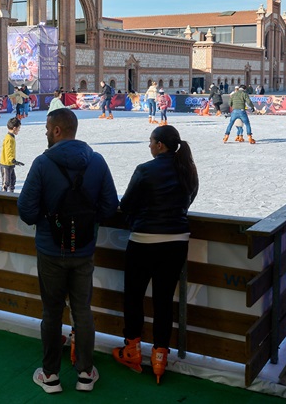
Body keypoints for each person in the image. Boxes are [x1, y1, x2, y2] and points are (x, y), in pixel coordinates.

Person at [18, 108, 119, 394]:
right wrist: (87, 220)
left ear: (58, 130)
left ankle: (50, 375)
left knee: (51, 312)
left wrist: (50, 220)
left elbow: (26, 209)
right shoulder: (97, 162)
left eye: (48, 129)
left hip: (50, 249)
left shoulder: (42, 163)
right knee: (82, 311)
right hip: (84, 249)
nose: (46, 133)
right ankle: (86, 373)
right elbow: (110, 206)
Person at [113, 124, 198, 384]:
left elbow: (126, 205)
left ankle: (132, 349)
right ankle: (159, 356)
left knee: (134, 297)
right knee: (163, 300)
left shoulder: (145, 170)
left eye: (151, 142)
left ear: (160, 145)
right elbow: (188, 199)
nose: (149, 146)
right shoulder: (187, 170)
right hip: (176, 242)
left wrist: (139, 215)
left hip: (144, 240)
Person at [0, 117, 22, 192]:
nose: (19, 130)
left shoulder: (10, 137)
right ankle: (2, 198)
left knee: (13, 180)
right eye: (19, 128)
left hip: (10, 164)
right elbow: (9, 150)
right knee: (6, 183)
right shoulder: (9, 138)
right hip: (6, 164)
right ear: (14, 128)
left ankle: (11, 195)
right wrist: (13, 160)